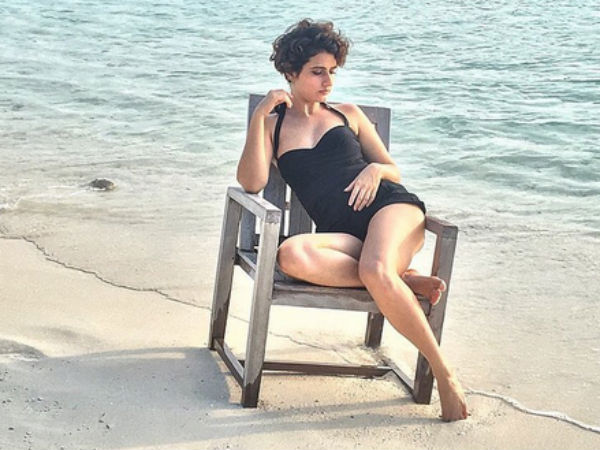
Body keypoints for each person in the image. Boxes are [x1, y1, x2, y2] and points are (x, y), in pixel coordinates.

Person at [236, 18, 468, 422]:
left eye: (332, 71)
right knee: (290, 254)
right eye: (317, 71)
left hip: (391, 210)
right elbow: (252, 182)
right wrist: (259, 116)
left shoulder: (347, 114)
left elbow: (392, 169)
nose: (328, 81)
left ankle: (444, 375)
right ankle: (402, 280)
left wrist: (374, 171)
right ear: (290, 72)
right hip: (345, 237)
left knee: (375, 268)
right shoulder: (273, 127)